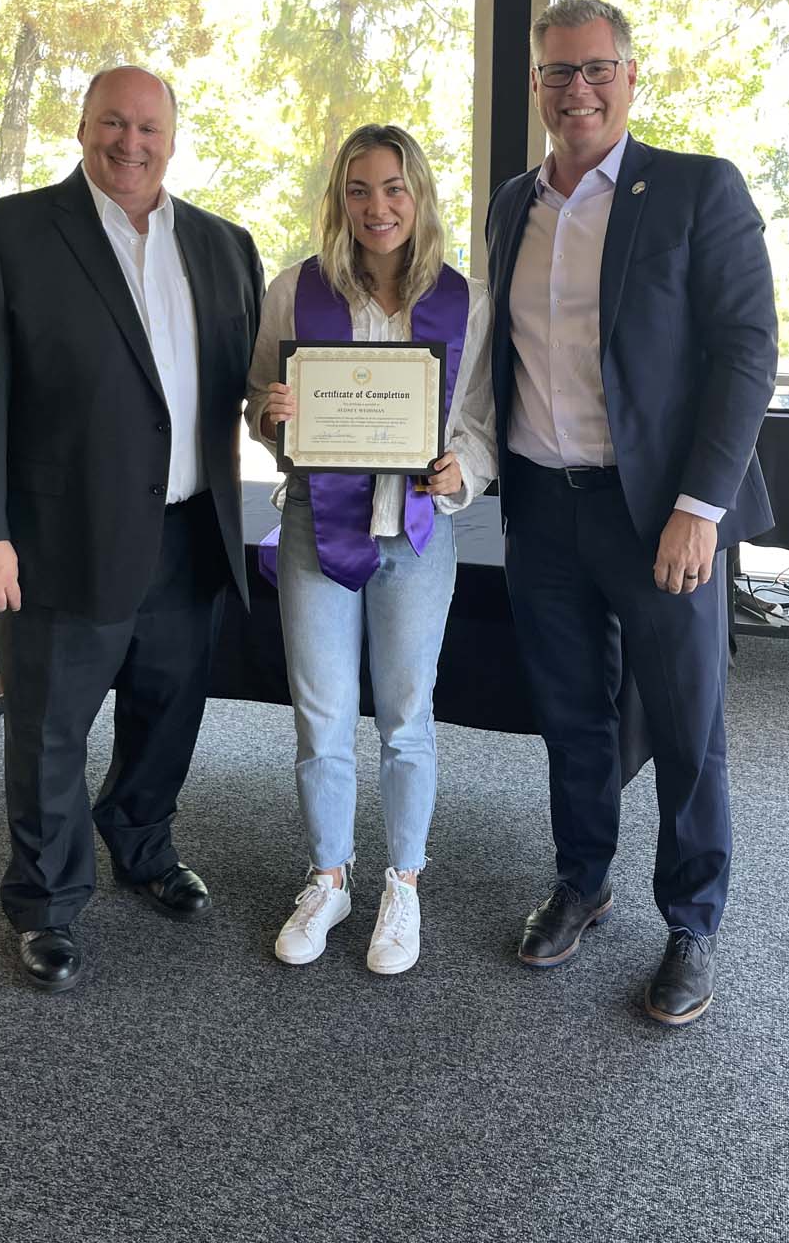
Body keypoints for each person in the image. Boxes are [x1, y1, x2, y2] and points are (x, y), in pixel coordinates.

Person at [0, 65, 263, 993]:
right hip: (53, 540)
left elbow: (231, 389)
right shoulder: (8, 233)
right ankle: (45, 901)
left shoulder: (225, 245)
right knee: (48, 733)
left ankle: (142, 842)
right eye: (112, 123)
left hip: (191, 535)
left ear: (172, 134)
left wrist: (286, 414)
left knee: (169, 714)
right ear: (82, 128)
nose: (130, 142)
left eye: (148, 126)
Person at [486, 0, 778, 1026]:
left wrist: (701, 506)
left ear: (631, 76)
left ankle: (692, 920)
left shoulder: (696, 188)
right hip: (542, 509)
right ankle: (582, 878)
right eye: (560, 73)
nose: (579, 89)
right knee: (572, 716)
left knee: (689, 721)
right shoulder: (511, 202)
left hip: (659, 516)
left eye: (598, 69)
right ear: (537, 87)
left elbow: (747, 351)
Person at [246, 123, 496, 975]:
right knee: (320, 718)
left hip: (418, 538)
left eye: (393, 189)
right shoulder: (295, 291)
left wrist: (464, 466)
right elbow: (257, 405)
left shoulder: (466, 301)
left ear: (418, 195)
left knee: (405, 717)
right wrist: (270, 416)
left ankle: (403, 883)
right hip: (321, 525)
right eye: (359, 190)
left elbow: (483, 426)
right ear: (339, 200)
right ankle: (328, 878)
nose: (377, 207)